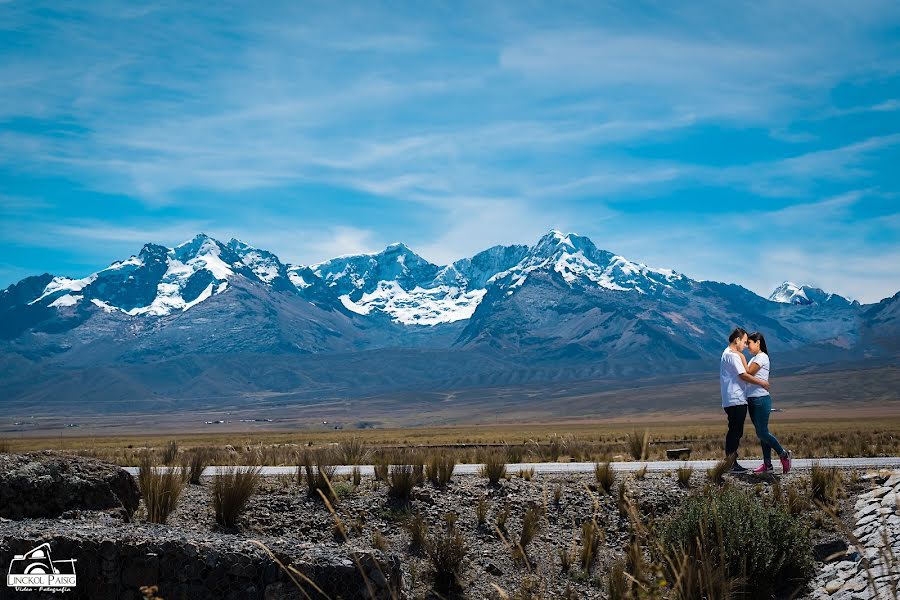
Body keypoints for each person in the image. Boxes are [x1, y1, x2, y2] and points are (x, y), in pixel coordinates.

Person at [720, 327, 771, 473]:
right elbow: (744, 375)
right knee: (735, 432)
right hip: (736, 398)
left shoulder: (728, 353)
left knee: (735, 431)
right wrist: (762, 383)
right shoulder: (733, 355)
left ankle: (731, 460)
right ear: (737, 340)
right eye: (743, 341)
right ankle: (731, 462)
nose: (745, 345)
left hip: (731, 398)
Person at [744, 331, 792, 474]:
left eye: (749, 344)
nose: (748, 347)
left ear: (758, 343)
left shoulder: (762, 357)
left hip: (760, 399)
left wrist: (738, 359)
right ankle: (767, 465)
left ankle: (784, 455)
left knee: (762, 432)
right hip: (752, 399)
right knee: (761, 433)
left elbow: (748, 373)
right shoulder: (753, 358)